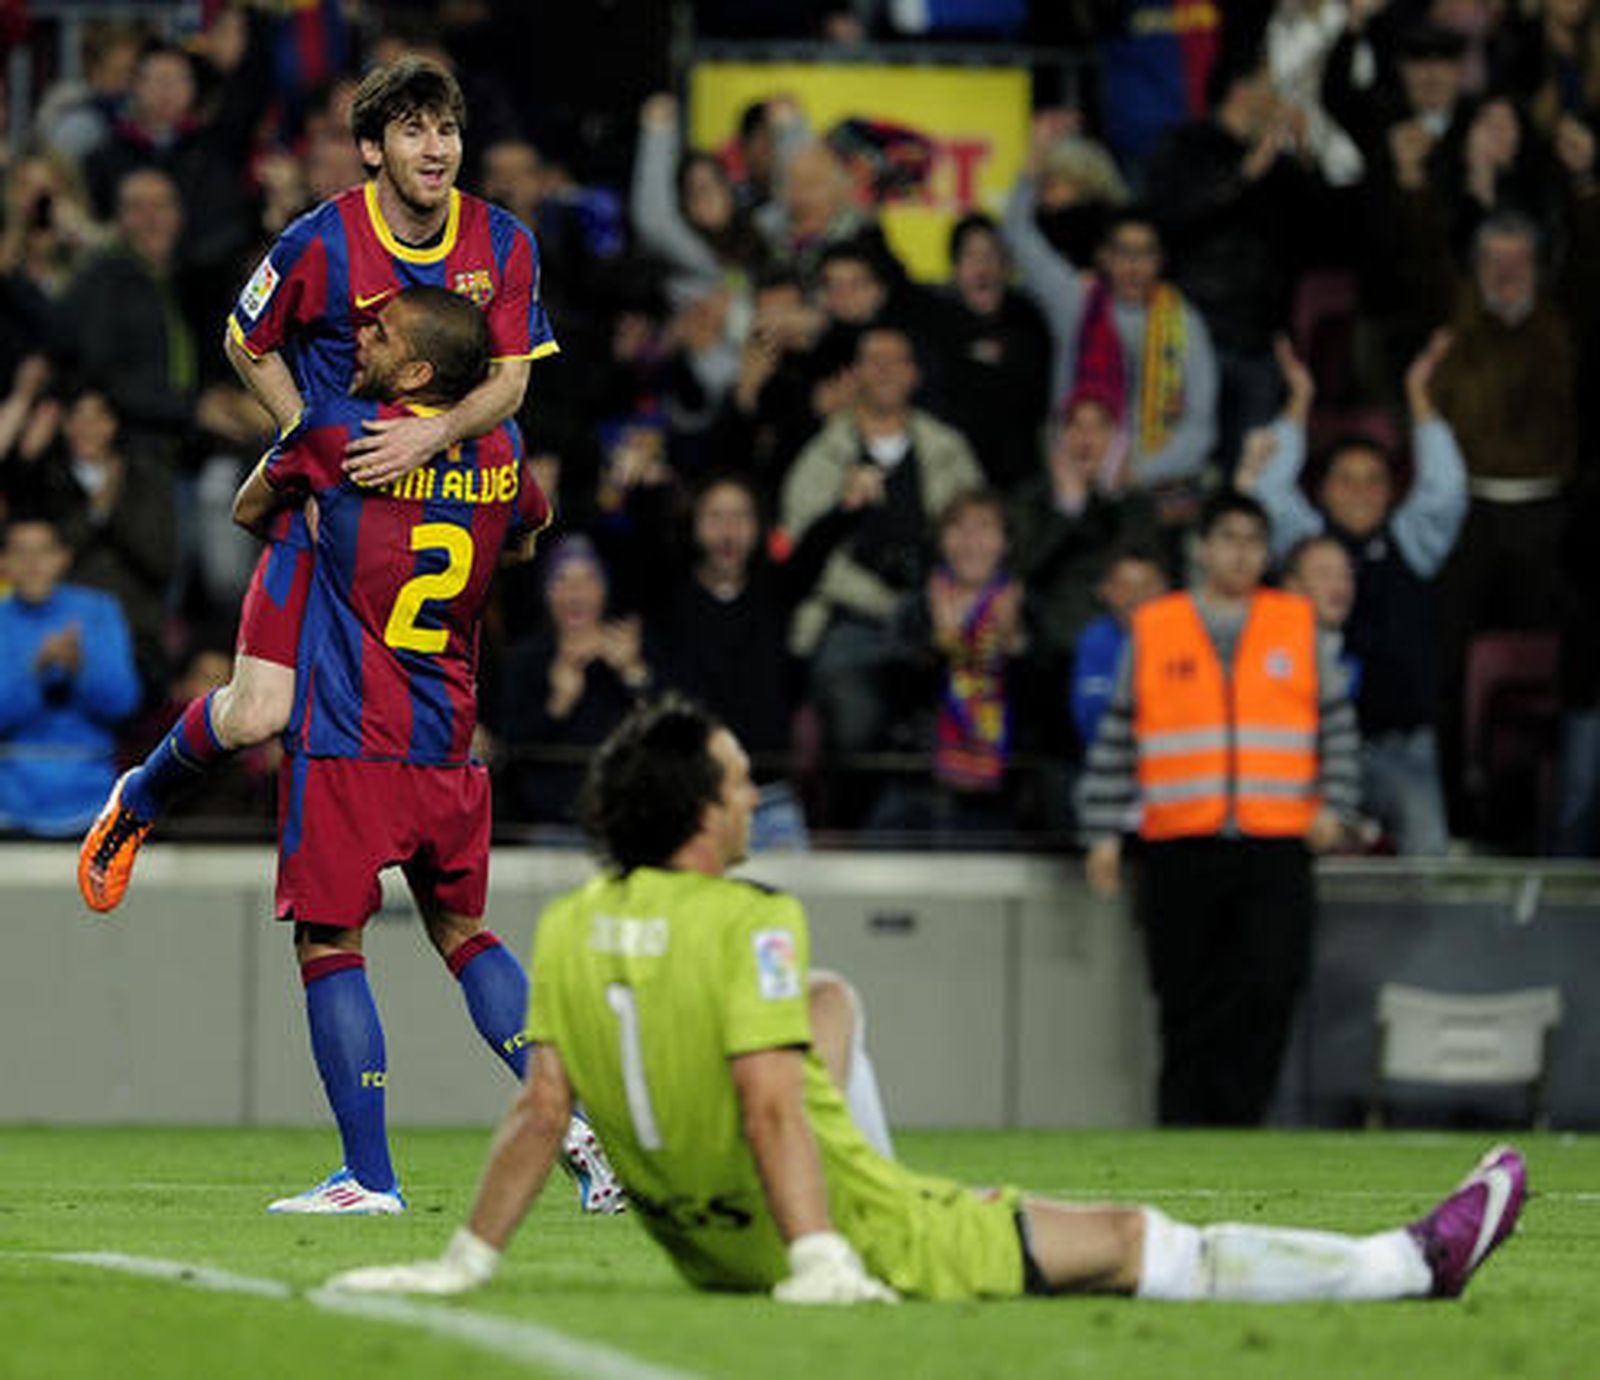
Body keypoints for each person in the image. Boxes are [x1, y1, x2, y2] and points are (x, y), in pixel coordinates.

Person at [319, 697, 1526, 1305]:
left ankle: (857, 1200)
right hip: (803, 1232)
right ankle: (1403, 1266)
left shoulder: (575, 925)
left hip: (702, 1248)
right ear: (699, 813)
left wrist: (462, 1264)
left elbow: (541, 1112)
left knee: (832, 1004)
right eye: (738, 782)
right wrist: (826, 1254)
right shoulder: (753, 917)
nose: (753, 796)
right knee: (1129, 1241)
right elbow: (773, 1107)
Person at [78, 55, 555, 913]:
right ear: (370, 149)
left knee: (430, 729)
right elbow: (242, 341)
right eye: (412, 130)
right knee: (259, 713)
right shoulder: (319, 240)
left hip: (433, 506)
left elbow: (512, 380)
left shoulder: (504, 241)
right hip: (333, 506)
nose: (435, 146)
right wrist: (309, 437)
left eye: (445, 127)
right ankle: (138, 799)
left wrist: (433, 440)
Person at [223, 286, 613, 1215]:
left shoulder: (336, 432)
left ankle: (368, 1177)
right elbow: (527, 533)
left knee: (329, 941)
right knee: (464, 933)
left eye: (381, 331)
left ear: (417, 372)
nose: (361, 333)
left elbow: (250, 511)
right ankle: (583, 1131)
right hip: (447, 741)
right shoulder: (502, 448)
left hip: (353, 734)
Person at [1079, 489, 1360, 1126]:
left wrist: (1335, 807)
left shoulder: (1297, 622)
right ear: (1202, 548)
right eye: (1228, 538)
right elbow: (1118, 734)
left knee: (1268, 988)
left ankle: (1243, 1126)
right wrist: (1101, 832)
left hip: (1276, 840)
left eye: (1253, 541)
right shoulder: (1156, 625)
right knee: (1183, 998)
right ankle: (1183, 1132)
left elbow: (1338, 726)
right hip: (1180, 840)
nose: (1241, 553)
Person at [1248, 334, 1466, 856]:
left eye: (1374, 481)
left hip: (1402, 745)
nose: (1361, 492)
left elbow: (1447, 489)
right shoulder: (1303, 543)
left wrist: (1419, 397)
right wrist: (1299, 402)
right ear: (1323, 490)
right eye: (1346, 480)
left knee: (1428, 871)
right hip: (1312, 747)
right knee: (1310, 871)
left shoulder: (1409, 541)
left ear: (1392, 491)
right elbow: (1268, 495)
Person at [0, 510, 140, 836]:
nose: (33, 563)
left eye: (43, 551)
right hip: (9, 802)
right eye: (21, 552)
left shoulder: (99, 611)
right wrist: (37, 671)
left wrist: (79, 668)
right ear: (4, 561)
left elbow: (123, 704)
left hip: (91, 800)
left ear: (63, 557)